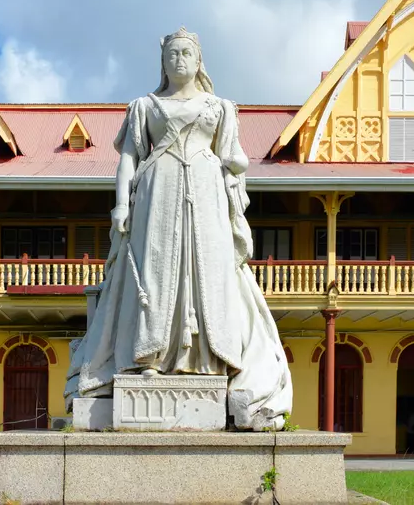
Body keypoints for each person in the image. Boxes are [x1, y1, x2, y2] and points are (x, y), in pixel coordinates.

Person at [63, 27, 293, 431]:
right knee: (155, 273)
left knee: (206, 271)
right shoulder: (144, 105)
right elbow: (129, 160)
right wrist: (120, 205)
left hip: (205, 194)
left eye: (187, 52)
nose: (179, 59)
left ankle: (204, 360)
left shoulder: (222, 107)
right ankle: (148, 358)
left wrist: (237, 164)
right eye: (172, 54)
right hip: (157, 192)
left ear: (199, 59)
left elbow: (233, 159)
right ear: (162, 61)